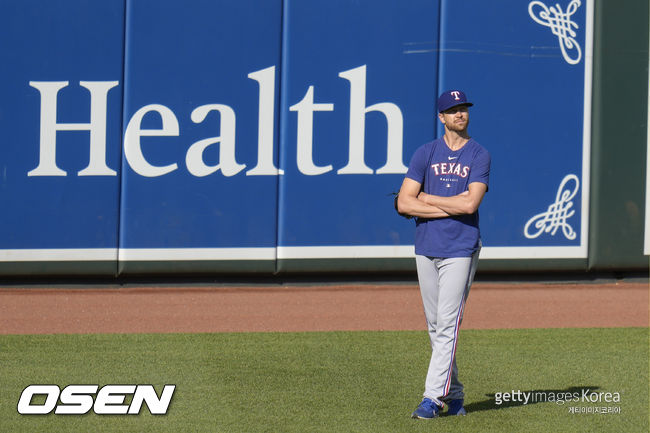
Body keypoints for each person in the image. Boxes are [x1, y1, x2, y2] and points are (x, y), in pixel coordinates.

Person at [397, 89, 490, 419]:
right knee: (436, 326)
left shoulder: (478, 154)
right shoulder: (426, 153)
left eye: (463, 108)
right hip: (426, 246)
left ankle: (432, 397)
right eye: (453, 110)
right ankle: (456, 394)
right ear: (442, 117)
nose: (460, 114)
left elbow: (470, 204)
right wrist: (441, 204)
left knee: (448, 324)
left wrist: (428, 200)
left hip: (461, 248)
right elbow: (403, 202)